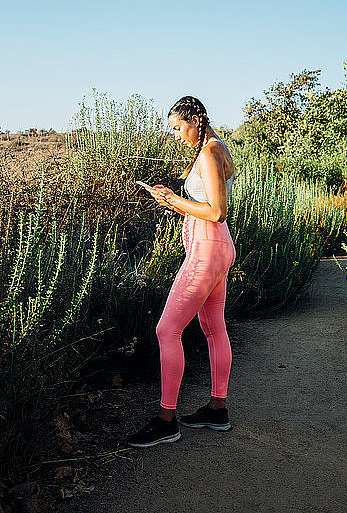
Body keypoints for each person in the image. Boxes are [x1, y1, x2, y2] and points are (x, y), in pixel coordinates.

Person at [126, 95, 236, 448]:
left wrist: (173, 200)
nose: (175, 135)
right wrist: (173, 199)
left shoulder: (207, 152)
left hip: (207, 251)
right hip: (217, 248)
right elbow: (206, 206)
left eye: (178, 127)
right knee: (213, 327)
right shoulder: (216, 148)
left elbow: (216, 211)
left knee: (166, 329)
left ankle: (166, 420)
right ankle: (216, 410)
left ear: (196, 119)